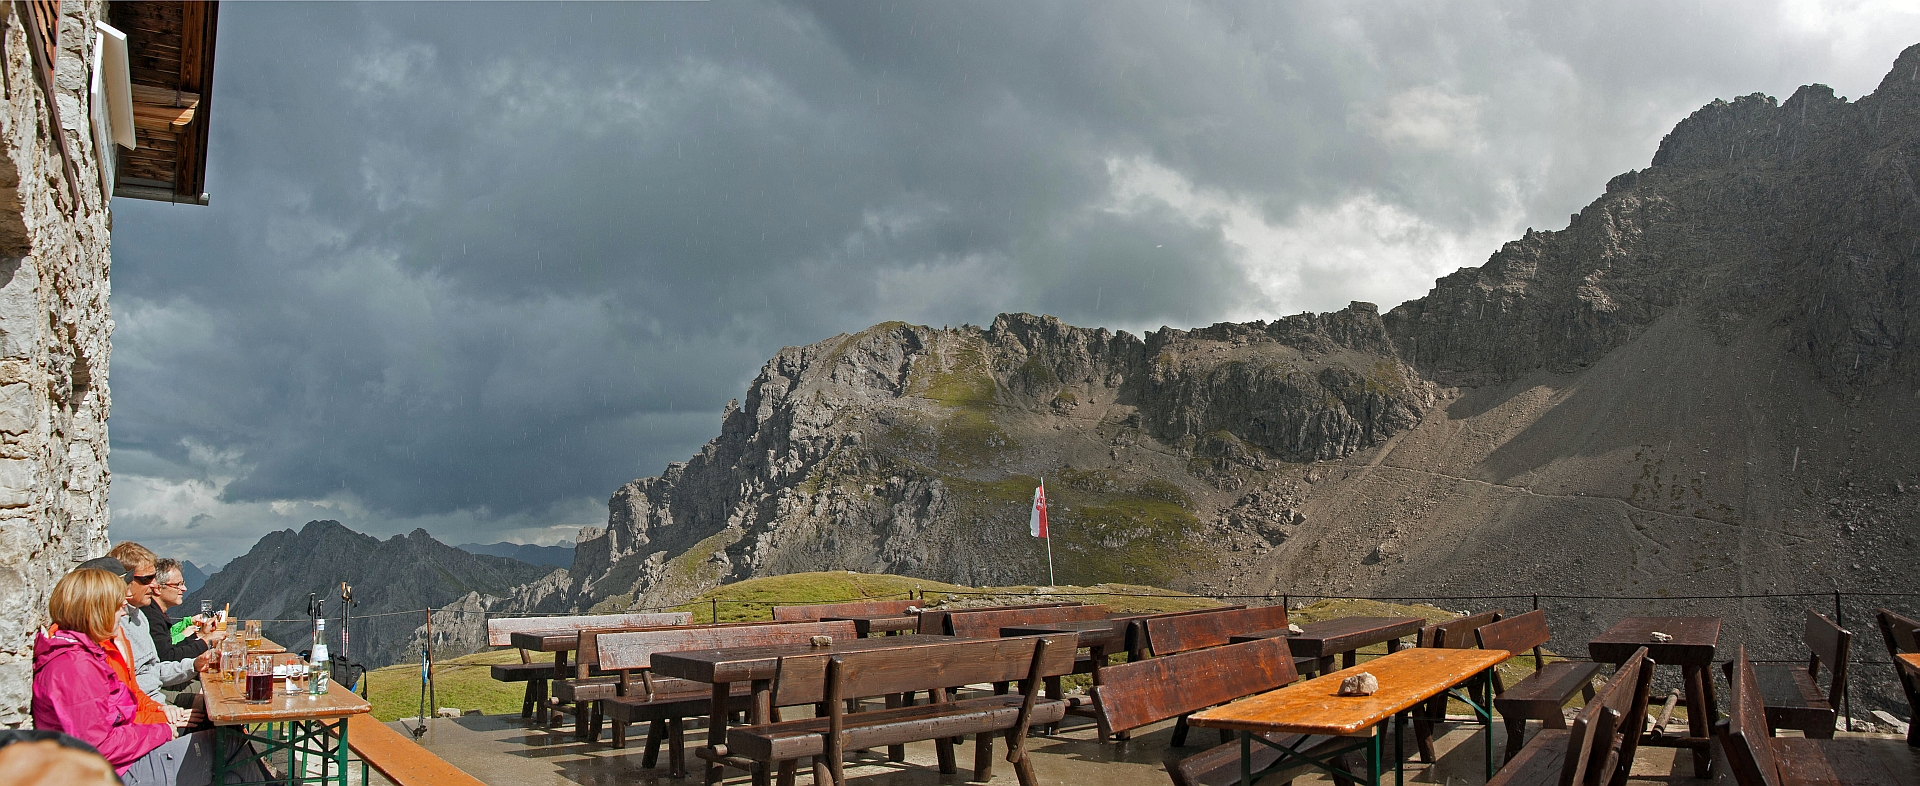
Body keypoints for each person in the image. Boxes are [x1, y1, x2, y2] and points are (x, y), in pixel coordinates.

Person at [32, 567, 179, 777]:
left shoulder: (83, 653)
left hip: (118, 756)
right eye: (118, 606)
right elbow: (97, 746)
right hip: (107, 773)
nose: (123, 612)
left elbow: (122, 709)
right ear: (97, 610)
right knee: (230, 752)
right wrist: (161, 730)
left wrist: (159, 718)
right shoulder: (74, 668)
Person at [102, 543, 215, 703]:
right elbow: (128, 690)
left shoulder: (138, 616)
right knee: (213, 700)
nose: (154, 585)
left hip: (154, 700)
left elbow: (153, 669)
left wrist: (194, 665)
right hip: (147, 705)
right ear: (125, 580)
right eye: (147, 579)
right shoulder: (113, 623)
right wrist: (204, 641)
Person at [144, 557, 214, 663]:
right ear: (158, 588)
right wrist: (206, 641)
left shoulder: (156, 612)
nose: (184, 589)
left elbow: (172, 648)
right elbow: (167, 657)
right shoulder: (152, 618)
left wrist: (200, 635)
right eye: (178, 585)